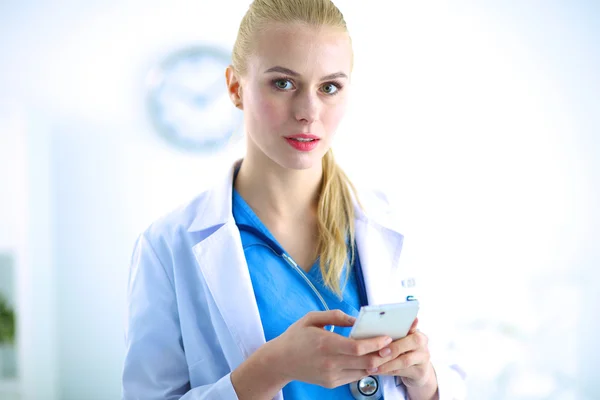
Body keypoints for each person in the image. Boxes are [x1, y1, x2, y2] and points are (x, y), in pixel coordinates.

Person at [122, 0, 465, 399]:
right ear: (235, 88)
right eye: (283, 83)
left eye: (329, 87)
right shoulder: (168, 246)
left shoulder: (396, 223)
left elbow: (452, 375)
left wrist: (426, 381)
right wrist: (271, 368)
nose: (308, 111)